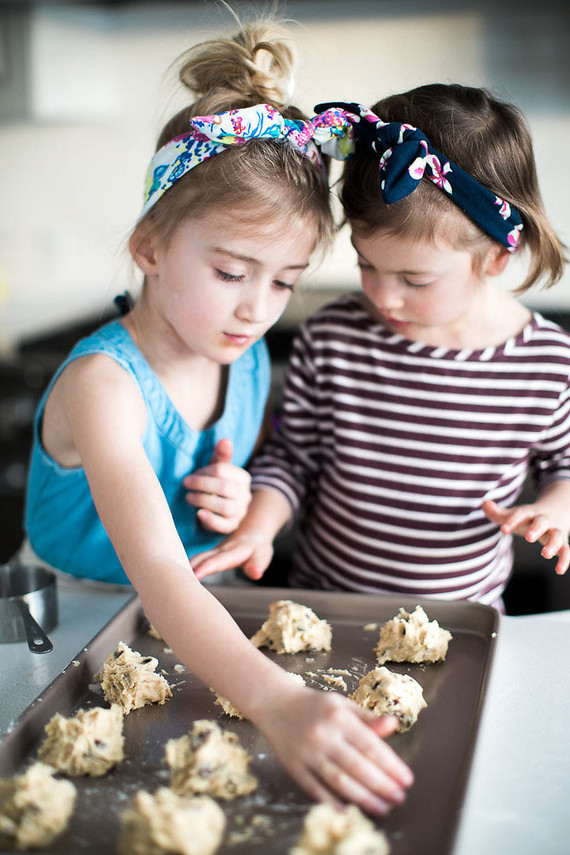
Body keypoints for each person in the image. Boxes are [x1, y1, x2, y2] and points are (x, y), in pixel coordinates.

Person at [23, 22, 413, 815]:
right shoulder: (107, 385)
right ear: (150, 246)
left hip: (189, 624)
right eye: (232, 270)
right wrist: (278, 701)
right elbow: (159, 573)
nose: (255, 308)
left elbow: (201, 509)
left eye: (283, 282)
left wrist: (236, 501)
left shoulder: (244, 355)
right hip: (62, 626)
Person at [192, 84, 570, 611]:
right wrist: (257, 530)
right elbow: (293, 460)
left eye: (414, 280)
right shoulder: (333, 338)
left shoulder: (547, 364)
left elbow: (565, 467)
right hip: (323, 611)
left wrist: (554, 510)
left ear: (495, 258)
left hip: (458, 621)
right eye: (366, 264)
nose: (383, 295)